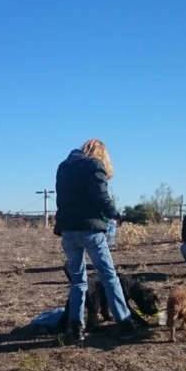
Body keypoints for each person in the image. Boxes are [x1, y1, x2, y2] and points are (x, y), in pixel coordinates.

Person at [54, 139, 139, 343]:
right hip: (91, 229)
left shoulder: (63, 167)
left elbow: (60, 199)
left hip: (68, 230)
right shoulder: (95, 166)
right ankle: (124, 321)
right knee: (109, 275)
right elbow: (101, 196)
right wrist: (115, 214)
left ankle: (75, 328)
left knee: (78, 280)